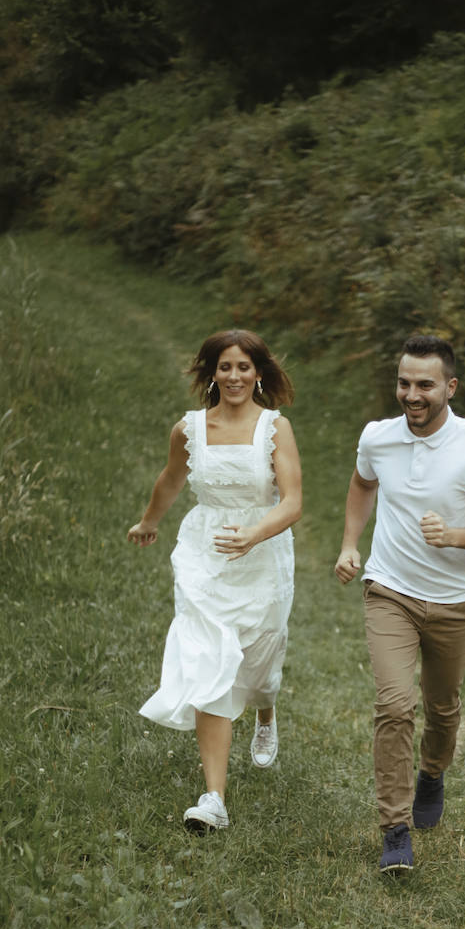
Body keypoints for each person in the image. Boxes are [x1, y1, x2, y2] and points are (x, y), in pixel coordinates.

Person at [334, 334, 465, 872]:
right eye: (404, 383)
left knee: (442, 708)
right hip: (389, 590)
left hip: (456, 601)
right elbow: (362, 484)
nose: (411, 395)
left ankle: (432, 773)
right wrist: (350, 543)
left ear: (450, 387)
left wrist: (455, 536)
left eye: (424, 385)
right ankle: (395, 828)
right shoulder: (378, 437)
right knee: (395, 706)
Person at [128, 329, 302, 833]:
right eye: (224, 367)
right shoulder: (189, 429)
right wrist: (150, 521)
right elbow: (171, 479)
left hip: (263, 551)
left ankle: (266, 713)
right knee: (209, 659)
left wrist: (253, 534)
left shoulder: (275, 428)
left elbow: (291, 501)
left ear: (259, 373)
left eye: (244, 367)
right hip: (204, 552)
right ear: (211, 373)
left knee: (259, 664)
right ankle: (213, 799)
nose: (234, 376)